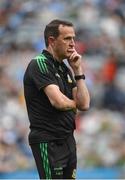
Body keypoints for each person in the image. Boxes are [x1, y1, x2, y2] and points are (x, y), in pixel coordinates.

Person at [23, 19, 90, 179]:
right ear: (52, 41)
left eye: (73, 38)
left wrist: (78, 71)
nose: (73, 43)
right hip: (48, 141)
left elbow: (85, 104)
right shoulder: (39, 64)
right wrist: (75, 104)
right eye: (67, 38)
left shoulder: (65, 69)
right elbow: (58, 102)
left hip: (67, 139)